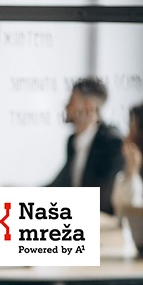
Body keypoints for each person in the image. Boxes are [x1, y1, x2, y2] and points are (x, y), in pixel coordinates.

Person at [47, 77, 124, 215]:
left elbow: (101, 200)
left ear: (88, 106)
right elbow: (60, 184)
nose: (66, 106)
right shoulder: (72, 142)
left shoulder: (112, 144)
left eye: (71, 101)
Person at [112, 103, 143, 214]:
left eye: (133, 130)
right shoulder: (129, 169)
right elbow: (122, 213)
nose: (127, 137)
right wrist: (131, 172)